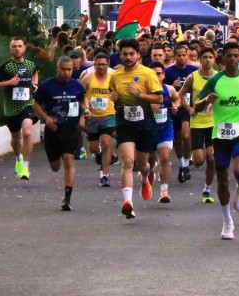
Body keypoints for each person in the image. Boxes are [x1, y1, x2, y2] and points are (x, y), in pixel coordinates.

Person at [195, 43, 239, 240]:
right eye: (229, 56)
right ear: (223, 58)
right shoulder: (215, 80)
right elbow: (196, 107)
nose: (233, 59)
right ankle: (227, 221)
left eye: (236, 56)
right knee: (223, 180)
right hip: (220, 135)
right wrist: (206, 101)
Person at [108, 38, 164, 219]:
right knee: (127, 162)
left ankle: (145, 178)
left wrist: (139, 94)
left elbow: (159, 98)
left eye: (131, 54)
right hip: (124, 124)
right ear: (120, 55)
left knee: (143, 165)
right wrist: (114, 97)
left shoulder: (148, 73)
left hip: (144, 124)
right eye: (124, 54)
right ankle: (128, 203)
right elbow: (112, 93)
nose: (128, 57)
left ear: (138, 55)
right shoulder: (115, 75)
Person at [32, 56, 86, 211]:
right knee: (55, 166)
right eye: (63, 69)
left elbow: (83, 100)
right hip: (53, 130)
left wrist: (86, 109)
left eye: (69, 70)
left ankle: (67, 199)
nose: (67, 73)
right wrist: (46, 118)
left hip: (71, 130)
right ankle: (58, 157)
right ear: (57, 69)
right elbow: (35, 104)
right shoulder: (47, 85)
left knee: (69, 160)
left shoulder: (77, 85)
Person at [0, 37, 39, 180]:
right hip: (11, 107)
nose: (17, 49)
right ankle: (18, 158)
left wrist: (35, 85)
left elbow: (35, 73)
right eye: (14, 46)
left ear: (24, 48)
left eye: (19, 46)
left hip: (26, 104)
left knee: (27, 132)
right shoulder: (6, 66)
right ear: (10, 49)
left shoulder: (30, 65)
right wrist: (9, 82)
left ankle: (25, 168)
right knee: (16, 138)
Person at [180, 47, 217, 203]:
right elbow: (180, 95)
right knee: (199, 161)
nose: (207, 60)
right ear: (199, 59)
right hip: (197, 123)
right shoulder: (193, 77)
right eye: (205, 57)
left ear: (214, 59)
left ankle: (207, 189)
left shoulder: (219, 77)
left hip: (213, 122)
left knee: (211, 158)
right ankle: (188, 162)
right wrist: (189, 109)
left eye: (210, 57)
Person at [80, 53, 116, 187]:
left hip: (109, 115)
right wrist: (86, 108)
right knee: (94, 149)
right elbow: (80, 97)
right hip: (93, 117)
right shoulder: (87, 79)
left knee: (106, 143)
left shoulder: (113, 79)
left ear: (108, 65)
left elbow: (119, 95)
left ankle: (104, 175)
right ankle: (98, 153)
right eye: (98, 64)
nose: (101, 67)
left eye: (103, 64)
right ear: (94, 64)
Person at [164, 44, 198, 182]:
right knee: (178, 139)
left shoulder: (193, 71)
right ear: (174, 56)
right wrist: (173, 86)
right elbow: (163, 89)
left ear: (187, 55)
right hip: (174, 107)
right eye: (178, 55)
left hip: (187, 107)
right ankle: (182, 164)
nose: (181, 58)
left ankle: (186, 163)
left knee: (186, 135)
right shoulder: (168, 71)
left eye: (184, 55)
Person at [149, 62, 181, 203]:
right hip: (148, 131)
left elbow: (177, 98)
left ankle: (164, 191)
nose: (156, 76)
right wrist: (149, 109)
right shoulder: (143, 90)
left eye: (159, 74)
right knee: (149, 161)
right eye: (153, 74)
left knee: (165, 158)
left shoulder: (169, 89)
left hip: (165, 129)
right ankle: (150, 171)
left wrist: (175, 106)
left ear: (163, 75)